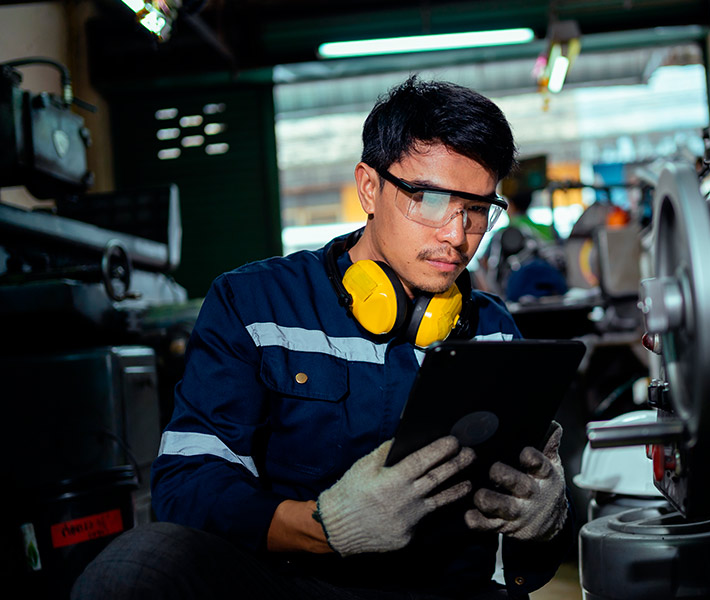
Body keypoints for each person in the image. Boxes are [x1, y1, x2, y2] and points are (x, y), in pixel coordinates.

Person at [72, 76, 572, 600]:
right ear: (369, 188)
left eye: (476, 210)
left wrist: (543, 521)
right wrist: (324, 526)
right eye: (429, 200)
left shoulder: (495, 333)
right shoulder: (255, 306)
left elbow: (524, 571)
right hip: (298, 584)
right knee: (137, 567)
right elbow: (187, 485)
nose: (456, 233)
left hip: (442, 590)